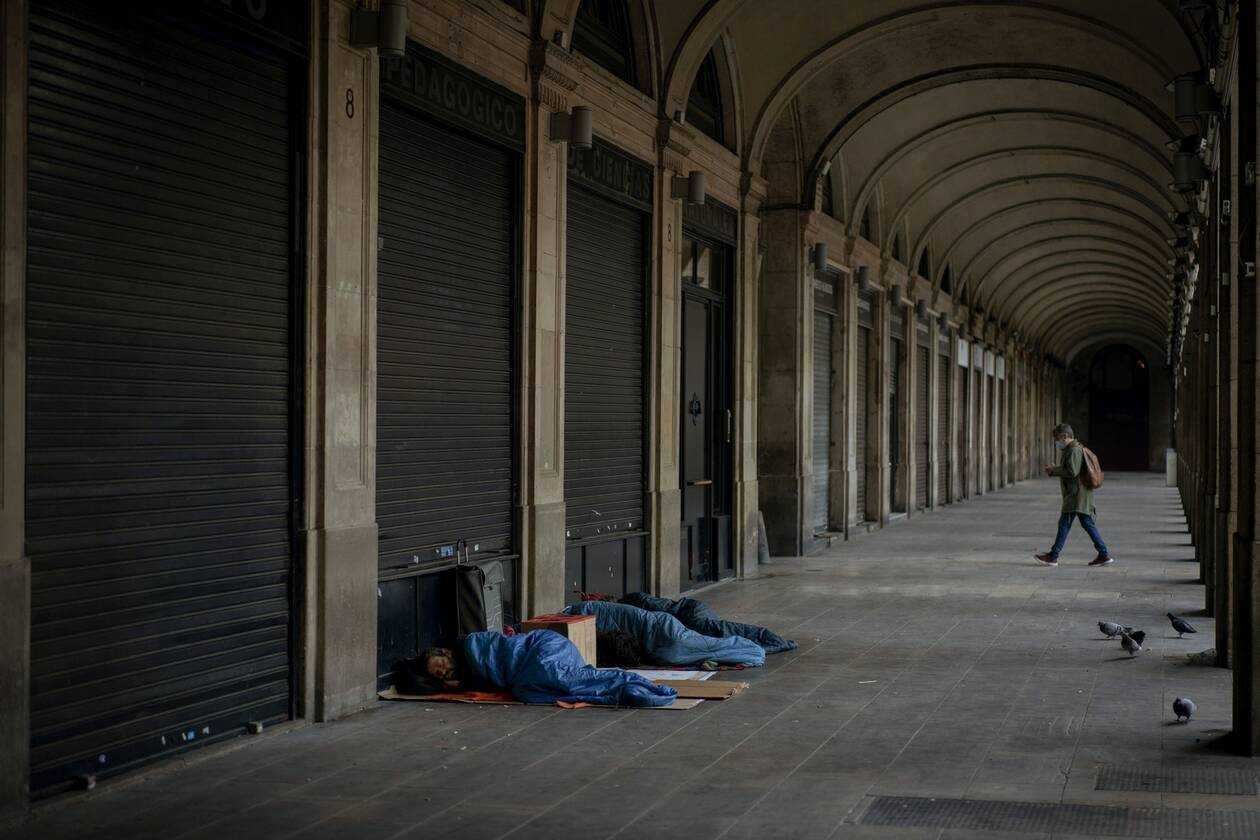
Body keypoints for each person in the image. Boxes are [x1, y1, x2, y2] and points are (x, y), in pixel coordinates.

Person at [1035, 423, 1114, 567]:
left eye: (1057, 439)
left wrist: (1054, 470)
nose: (1056, 442)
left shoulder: (1074, 450)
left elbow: (1073, 471)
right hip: (1078, 495)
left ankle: (1053, 556)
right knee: (1086, 524)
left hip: (1076, 495)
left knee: (1065, 525)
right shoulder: (1072, 449)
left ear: (1065, 436)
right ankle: (1103, 554)